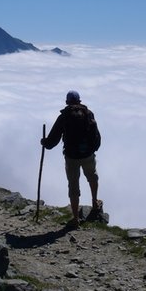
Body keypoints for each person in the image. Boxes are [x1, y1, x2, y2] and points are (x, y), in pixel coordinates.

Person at [41, 90, 101, 228]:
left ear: (67, 102)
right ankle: (94, 202)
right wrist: (93, 149)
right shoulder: (88, 113)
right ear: (79, 101)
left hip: (71, 157)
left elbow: (53, 139)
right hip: (88, 155)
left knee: (73, 186)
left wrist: (44, 142)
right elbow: (96, 135)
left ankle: (75, 219)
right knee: (92, 177)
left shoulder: (64, 116)